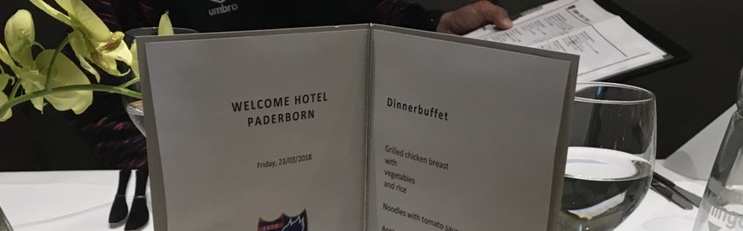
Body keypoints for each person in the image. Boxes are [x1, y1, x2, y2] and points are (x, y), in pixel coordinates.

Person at [80, 1, 512, 168]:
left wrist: (437, 26)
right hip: (204, 188)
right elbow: (102, 117)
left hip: (331, 166)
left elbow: (372, 15)